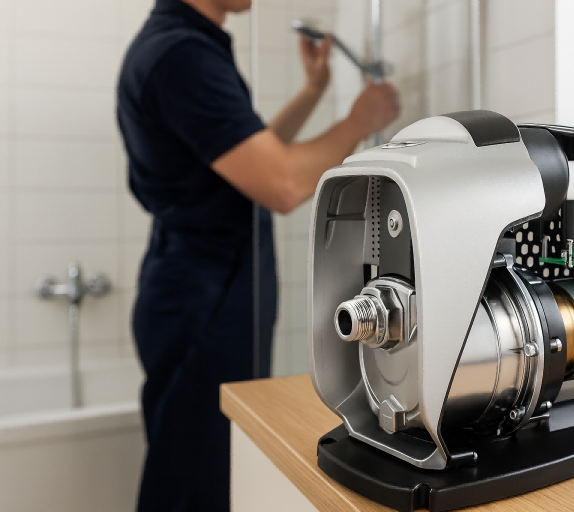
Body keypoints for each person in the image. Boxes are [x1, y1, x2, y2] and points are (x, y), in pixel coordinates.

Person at [116, 0, 400, 510]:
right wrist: (360, 121)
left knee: (190, 465)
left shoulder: (179, 45)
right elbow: (283, 183)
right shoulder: (182, 55)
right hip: (204, 295)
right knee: (199, 480)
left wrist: (313, 91)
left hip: (195, 286)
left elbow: (249, 151)